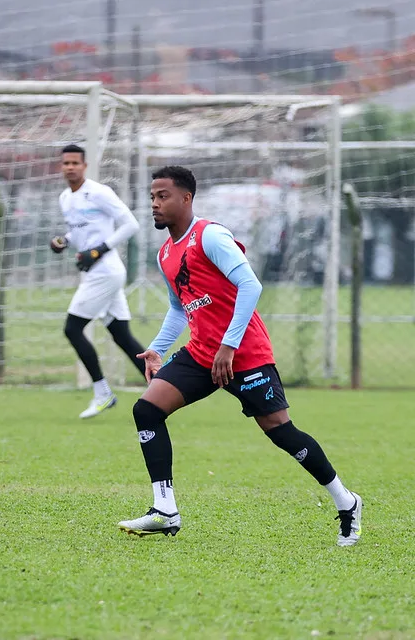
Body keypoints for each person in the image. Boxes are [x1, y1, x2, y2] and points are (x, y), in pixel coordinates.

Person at [117, 165, 362, 547]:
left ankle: (346, 501)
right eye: (151, 197)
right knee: (146, 410)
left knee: (281, 432)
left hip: (244, 354)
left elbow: (251, 284)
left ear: (186, 198)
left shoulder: (210, 236)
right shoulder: (166, 252)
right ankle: (165, 510)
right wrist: (158, 349)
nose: (154, 204)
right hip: (202, 355)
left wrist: (229, 345)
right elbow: (180, 309)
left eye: (162, 196)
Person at [51, 144, 147, 419]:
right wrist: (63, 241)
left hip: (106, 271)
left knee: (72, 329)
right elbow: (77, 232)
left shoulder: (100, 192)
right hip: (97, 273)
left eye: (74, 163)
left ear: (85, 165)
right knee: (122, 335)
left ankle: (103, 392)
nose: (70, 167)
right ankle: (165, 387)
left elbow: (130, 224)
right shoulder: (65, 198)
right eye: (65, 163)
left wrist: (99, 250)